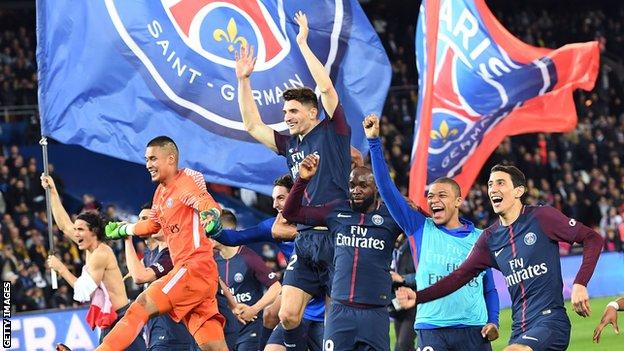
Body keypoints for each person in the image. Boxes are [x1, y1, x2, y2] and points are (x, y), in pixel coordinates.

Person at [236, 11, 351, 351]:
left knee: (336, 322)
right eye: (285, 114)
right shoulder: (290, 145)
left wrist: (302, 43)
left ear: (312, 112)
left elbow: (326, 87)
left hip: (336, 235)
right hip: (304, 240)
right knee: (287, 315)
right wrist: (244, 81)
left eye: (293, 112)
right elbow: (253, 127)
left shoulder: (334, 132)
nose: (286, 118)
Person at [398, 164, 603, 351]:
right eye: (490, 184)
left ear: (518, 191)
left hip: (550, 322)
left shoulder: (542, 217)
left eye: (500, 183)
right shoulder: (490, 238)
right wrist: (419, 297)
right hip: (519, 329)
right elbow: (458, 277)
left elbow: (592, 238)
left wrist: (580, 283)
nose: (493, 188)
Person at [364, 114, 500, 351]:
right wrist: (374, 142)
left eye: (441, 196)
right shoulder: (419, 228)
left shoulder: (480, 237)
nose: (433, 200)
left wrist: (493, 321)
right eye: (430, 196)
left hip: (474, 331)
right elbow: (386, 189)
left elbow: (489, 287)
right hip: (432, 329)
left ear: (458, 201)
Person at [97, 136, 227, 351]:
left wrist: (211, 213)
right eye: (147, 159)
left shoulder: (186, 181)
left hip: (193, 269)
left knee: (140, 306)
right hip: (198, 277)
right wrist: (125, 229)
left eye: (153, 159)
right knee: (214, 347)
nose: (148, 165)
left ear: (171, 159)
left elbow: (203, 200)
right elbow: (152, 226)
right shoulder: (160, 192)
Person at [282, 154, 404, 351]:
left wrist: (406, 205)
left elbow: (425, 227)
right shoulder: (336, 211)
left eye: (363, 186)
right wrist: (302, 180)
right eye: (352, 185)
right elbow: (290, 213)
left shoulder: (392, 216)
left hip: (375, 313)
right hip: (340, 312)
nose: (356, 190)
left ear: (376, 189)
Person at [210, 174, 325, 351]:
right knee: (270, 316)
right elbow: (239, 237)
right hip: (295, 296)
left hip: (323, 306)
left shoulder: (318, 225)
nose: (274, 205)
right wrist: (215, 231)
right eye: (273, 199)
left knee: (275, 313)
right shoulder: (272, 228)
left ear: (296, 197)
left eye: (280, 198)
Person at [41, 175, 145, 351]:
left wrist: (61, 268)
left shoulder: (101, 254)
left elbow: (82, 292)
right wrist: (52, 191)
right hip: (112, 321)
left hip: (121, 320)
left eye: (80, 230)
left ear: (94, 232)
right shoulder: (90, 245)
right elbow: (64, 225)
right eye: (77, 230)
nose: (76, 234)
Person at [124, 204, 196, 350]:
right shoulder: (150, 254)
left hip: (172, 335)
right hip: (156, 333)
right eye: (139, 219)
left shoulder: (171, 254)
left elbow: (139, 277)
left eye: (145, 219)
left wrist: (127, 239)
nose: (139, 223)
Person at [213, 223, 282, 351]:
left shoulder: (248, 257)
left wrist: (254, 309)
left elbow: (276, 287)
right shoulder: (212, 260)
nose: (207, 237)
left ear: (227, 231)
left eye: (211, 233)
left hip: (250, 329)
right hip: (225, 331)